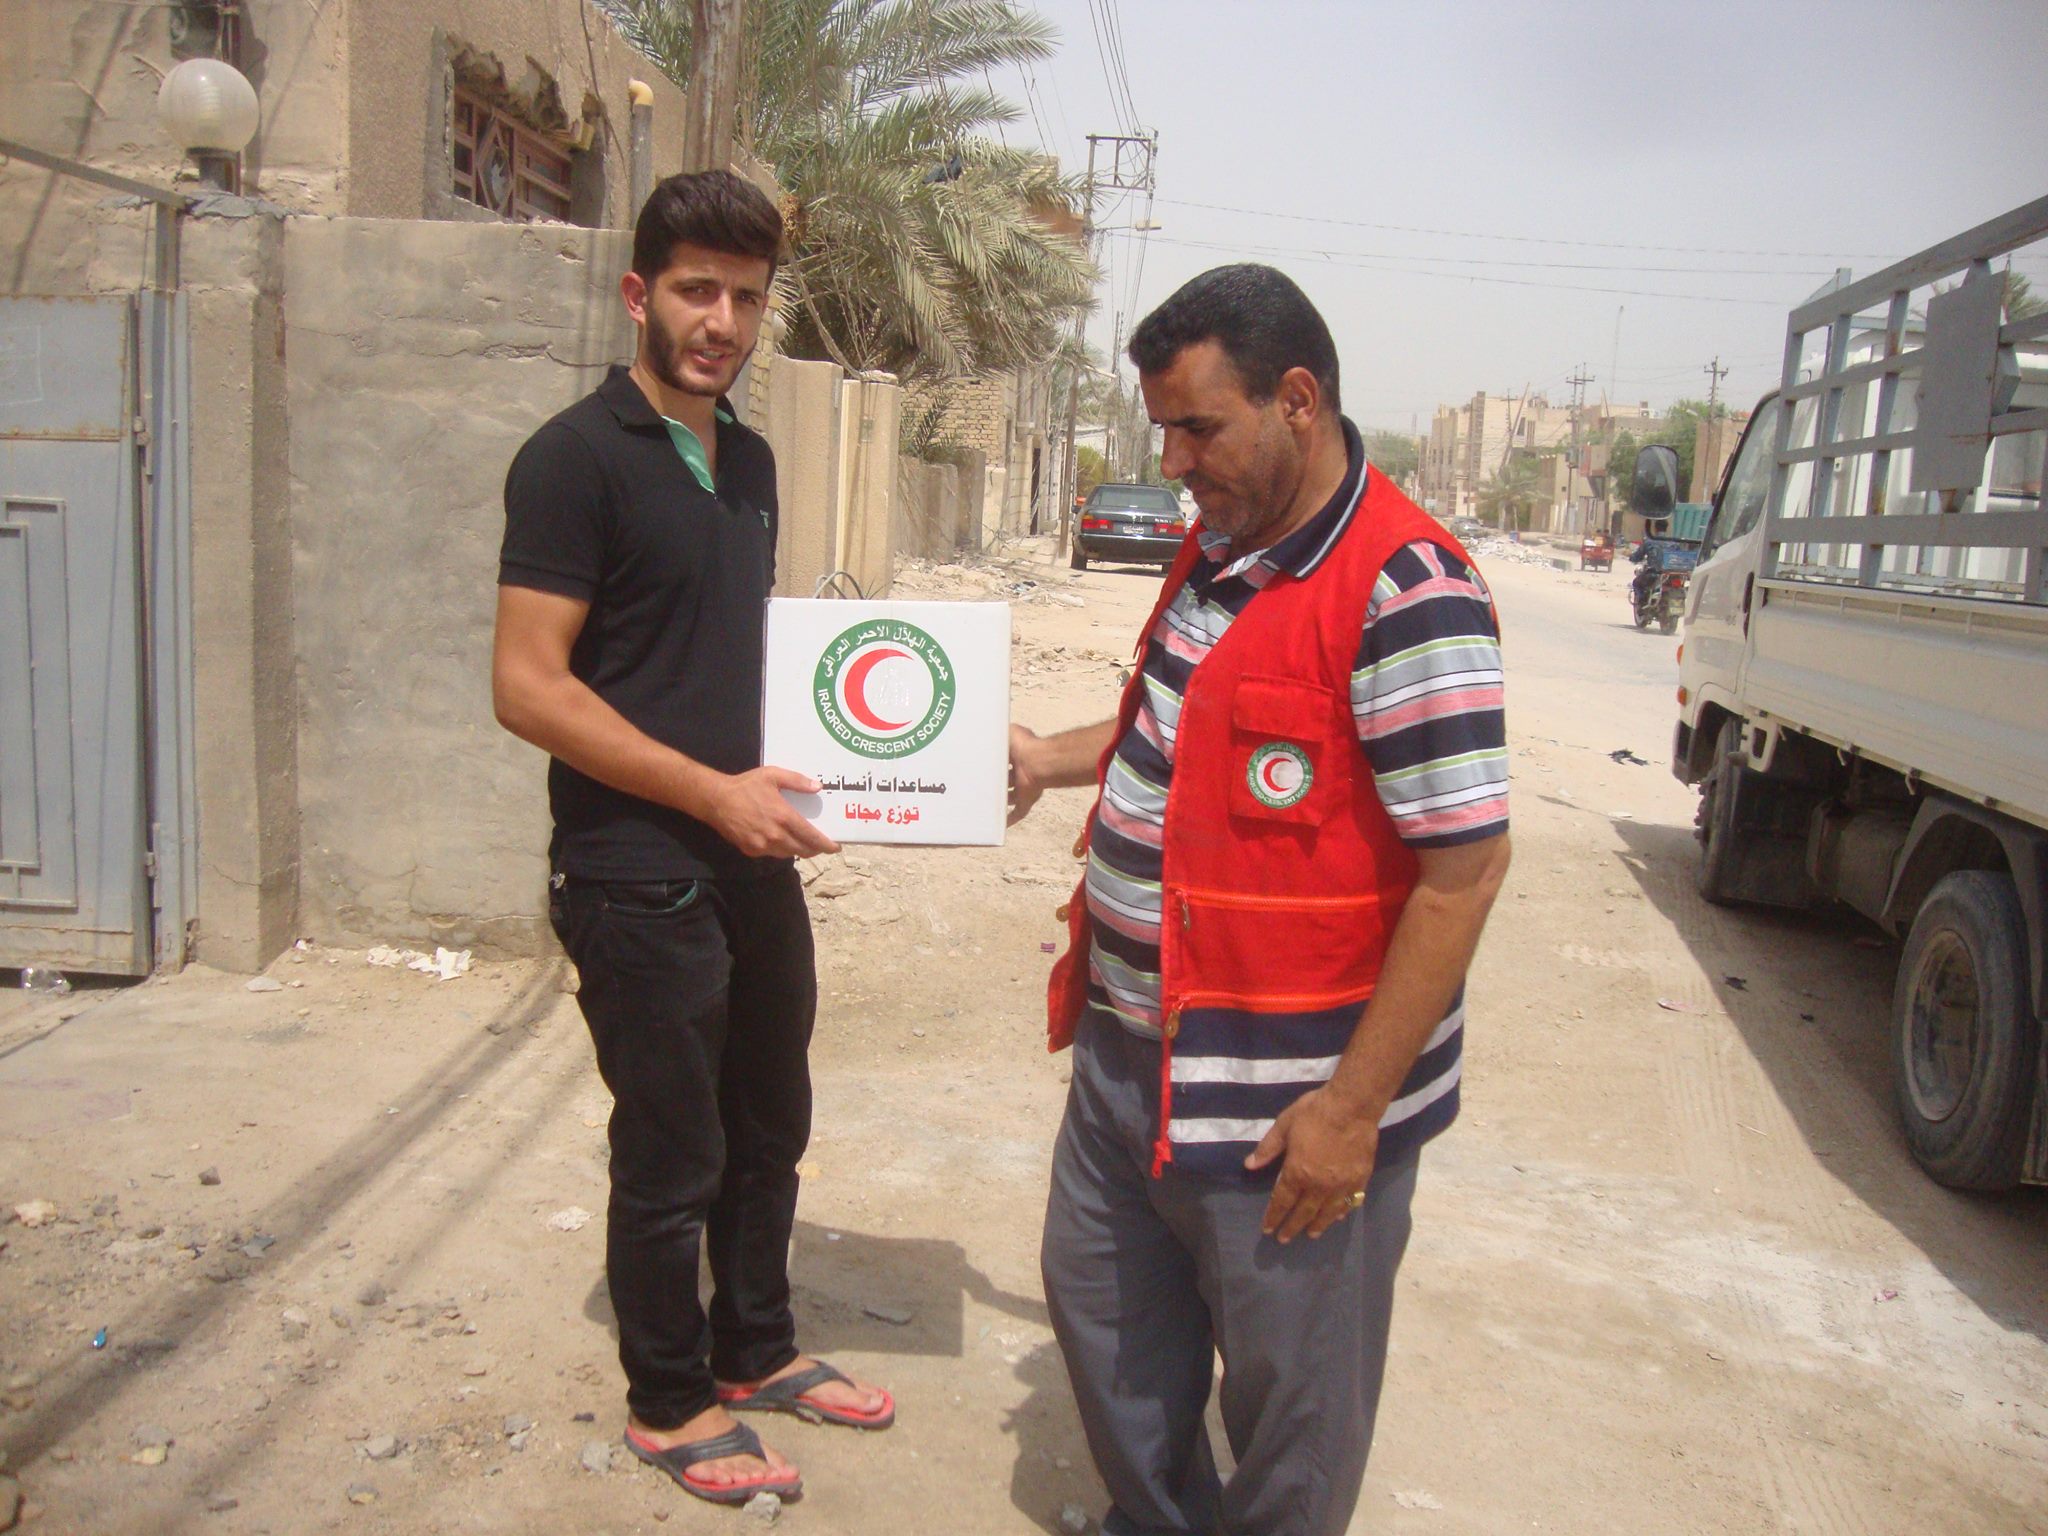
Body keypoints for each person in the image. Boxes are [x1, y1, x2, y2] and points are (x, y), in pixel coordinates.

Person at [1009, 265, 1512, 1536]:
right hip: (1132, 1066)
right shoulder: (1218, 543)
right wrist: (1041, 759)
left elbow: (1463, 873)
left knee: (1293, 1414)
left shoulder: (1411, 592)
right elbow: (1163, 734)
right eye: (1163, 431)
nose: (1174, 461)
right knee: (1107, 1324)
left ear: (1297, 400)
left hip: (1289, 1112)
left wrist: (1351, 1113)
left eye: (1197, 428)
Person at [492, 170, 892, 1510]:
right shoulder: (573, 459)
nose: (721, 320)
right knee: (674, 1146)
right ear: (638, 295)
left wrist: (865, 771)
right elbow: (528, 686)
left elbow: (729, 659)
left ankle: (753, 1351)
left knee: (770, 1114)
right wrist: (704, 792)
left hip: (748, 845)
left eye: (745, 296)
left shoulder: (755, 460)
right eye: (694, 290)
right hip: (630, 864)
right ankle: (668, 1401)